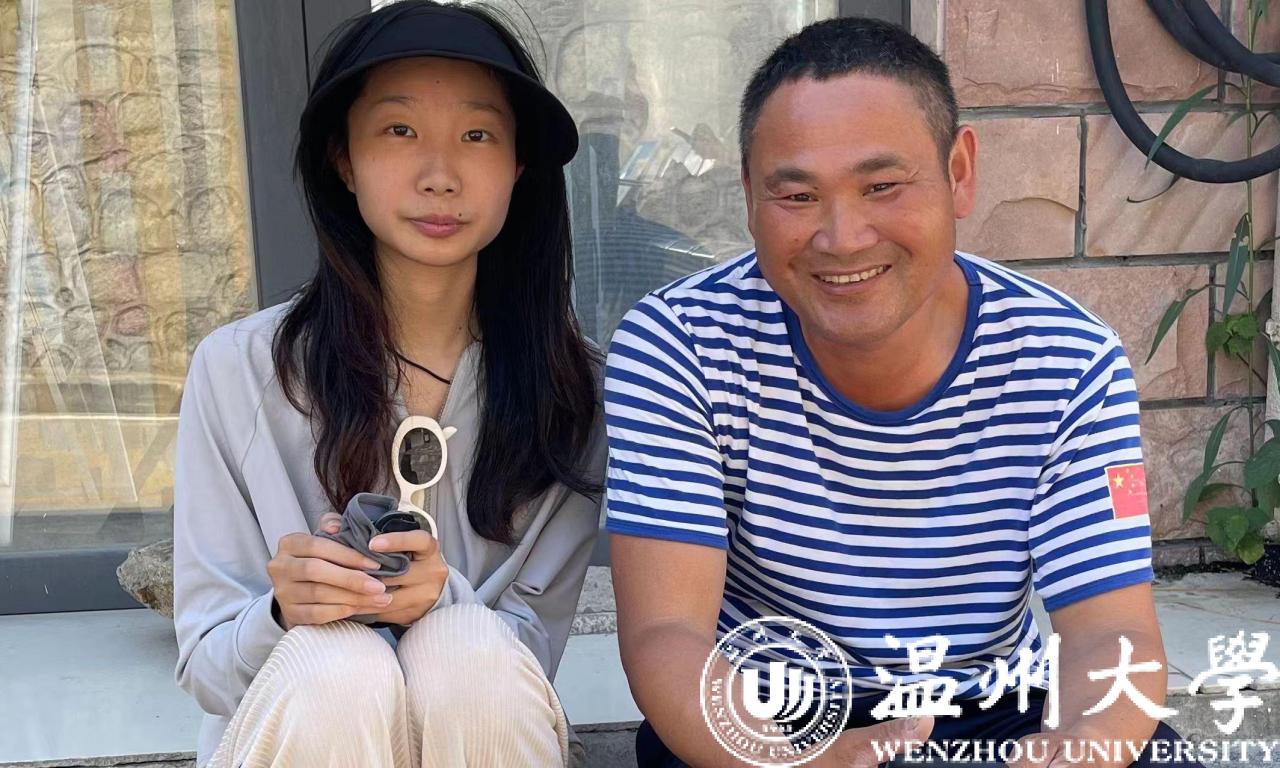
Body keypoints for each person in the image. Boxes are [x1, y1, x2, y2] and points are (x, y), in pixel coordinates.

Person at [605, 16, 1198, 768]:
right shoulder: (681, 345)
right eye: (797, 196)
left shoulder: (1068, 361)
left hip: (992, 711)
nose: (843, 236)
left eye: (882, 186)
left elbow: (1113, 632)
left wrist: (1078, 747)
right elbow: (668, 635)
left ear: (959, 172)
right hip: (759, 712)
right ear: (749, 196)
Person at [171, 3, 604, 766]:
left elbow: (530, 656)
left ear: (517, 167)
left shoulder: (573, 392)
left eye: (478, 136)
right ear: (343, 159)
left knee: (469, 654)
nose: (440, 176)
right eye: (399, 131)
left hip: (481, 725)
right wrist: (284, 612)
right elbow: (207, 666)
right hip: (301, 731)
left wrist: (441, 598)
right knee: (338, 668)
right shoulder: (237, 370)